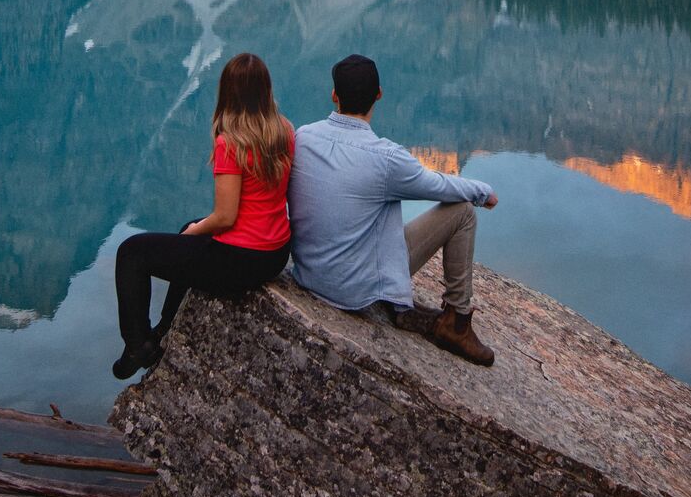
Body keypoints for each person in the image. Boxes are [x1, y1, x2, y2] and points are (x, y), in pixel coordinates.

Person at [288, 54, 498, 365]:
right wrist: (483, 192)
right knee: (463, 212)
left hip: (308, 276)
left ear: (334, 96)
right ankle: (457, 322)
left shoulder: (302, 137)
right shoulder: (385, 158)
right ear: (379, 95)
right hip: (354, 292)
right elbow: (438, 185)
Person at [110, 52, 294, 379]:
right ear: (266, 90)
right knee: (187, 230)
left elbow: (225, 217)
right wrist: (192, 230)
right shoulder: (283, 130)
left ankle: (137, 345)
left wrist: (197, 229)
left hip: (241, 260)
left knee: (131, 253)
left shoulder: (231, 142)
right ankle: (165, 329)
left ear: (228, 92)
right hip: (275, 252)